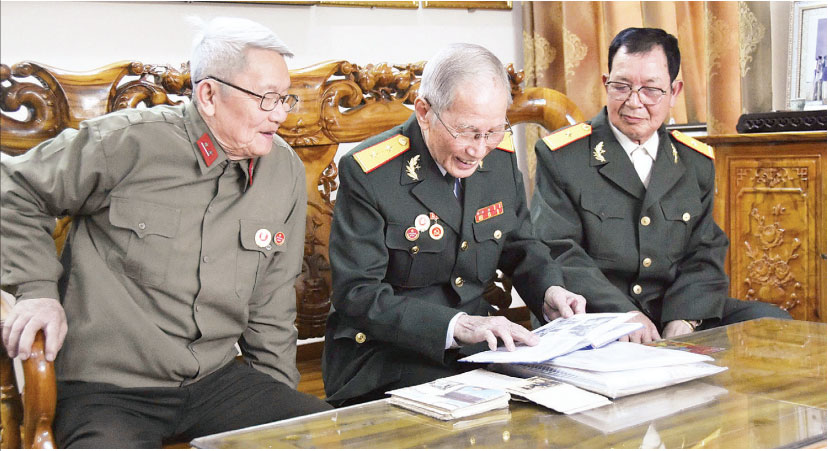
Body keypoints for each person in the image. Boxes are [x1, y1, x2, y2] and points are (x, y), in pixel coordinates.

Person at [0, 17, 331, 448]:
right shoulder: (129, 143)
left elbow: (270, 304)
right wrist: (36, 290)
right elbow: (14, 189)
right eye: (267, 99)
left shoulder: (281, 168)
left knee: (334, 439)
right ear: (209, 95)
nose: (282, 114)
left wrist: (275, 417)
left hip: (216, 382)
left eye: (285, 98)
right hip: (109, 392)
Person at [323, 43, 587, 407]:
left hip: (478, 348)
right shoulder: (370, 173)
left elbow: (520, 246)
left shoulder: (499, 159)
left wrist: (550, 291)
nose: (479, 151)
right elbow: (357, 294)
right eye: (466, 132)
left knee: (569, 399)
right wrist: (456, 326)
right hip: (386, 354)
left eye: (493, 131)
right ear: (424, 112)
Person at [531, 27, 790, 344]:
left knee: (773, 325)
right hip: (596, 315)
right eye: (621, 87)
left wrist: (685, 318)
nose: (634, 102)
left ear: (675, 92)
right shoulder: (563, 157)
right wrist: (623, 314)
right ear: (605, 84)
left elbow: (703, 253)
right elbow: (557, 251)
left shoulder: (695, 162)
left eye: (651, 90)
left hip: (670, 312)